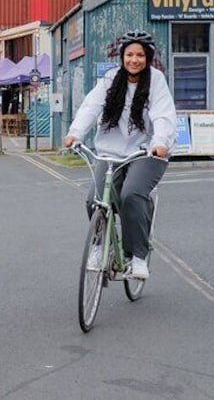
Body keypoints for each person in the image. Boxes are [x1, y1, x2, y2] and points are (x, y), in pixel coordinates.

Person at [63, 30, 177, 280]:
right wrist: (75, 134)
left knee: (131, 195)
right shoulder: (110, 79)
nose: (133, 60)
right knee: (95, 199)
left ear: (147, 58)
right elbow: (91, 107)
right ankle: (100, 246)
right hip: (110, 152)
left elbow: (163, 115)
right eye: (129, 55)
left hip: (146, 152)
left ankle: (137, 256)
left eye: (139, 55)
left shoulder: (155, 81)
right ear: (122, 56)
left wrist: (160, 142)